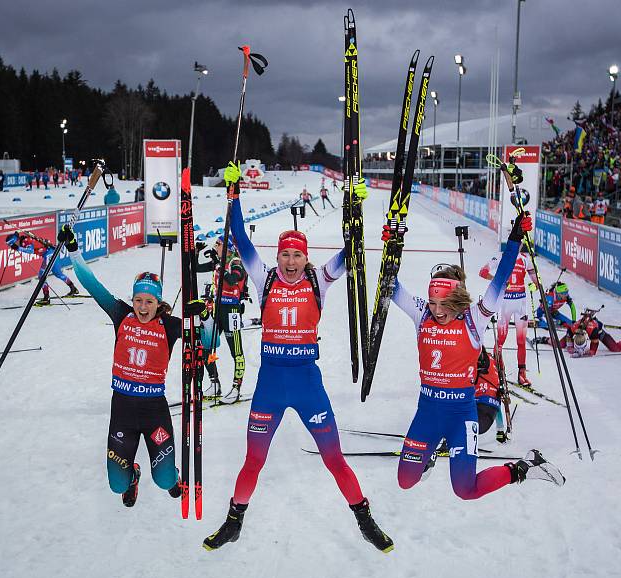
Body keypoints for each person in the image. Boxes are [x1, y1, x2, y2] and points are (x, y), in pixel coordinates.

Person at [203, 162, 393, 553]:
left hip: (307, 385)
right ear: (278, 256)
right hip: (271, 386)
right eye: (285, 254)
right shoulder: (265, 277)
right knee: (253, 460)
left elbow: (349, 253)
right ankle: (234, 521)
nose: (290, 262)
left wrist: (355, 213)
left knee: (334, 458)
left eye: (297, 256)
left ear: (306, 258)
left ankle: (365, 520)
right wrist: (233, 194)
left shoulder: (317, 279)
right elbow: (238, 236)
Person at [390, 217, 565, 502]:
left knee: (465, 489)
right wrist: (392, 244)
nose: (437, 310)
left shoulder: (475, 318)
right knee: (405, 481)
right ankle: (429, 453)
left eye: (444, 304)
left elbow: (500, 279)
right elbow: (392, 286)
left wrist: (515, 241)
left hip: (462, 414)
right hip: (427, 413)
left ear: (456, 300)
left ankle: (524, 467)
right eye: (433, 303)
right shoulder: (421, 313)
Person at [57, 225, 189, 506]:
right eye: (138, 300)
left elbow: (206, 338)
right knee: (117, 485)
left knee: (165, 480)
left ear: (158, 302)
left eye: (149, 301)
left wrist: (204, 315)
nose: (143, 307)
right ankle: (132, 476)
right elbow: (92, 285)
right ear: (132, 300)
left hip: (154, 410)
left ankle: (170, 475)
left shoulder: (171, 325)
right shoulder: (121, 315)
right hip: (123, 410)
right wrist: (73, 251)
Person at [479, 244, 539, 386]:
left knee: (521, 341)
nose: (518, 246)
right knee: (500, 340)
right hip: (505, 303)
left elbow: (537, 282)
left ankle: (522, 374)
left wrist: (534, 286)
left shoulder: (525, 259)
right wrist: (497, 280)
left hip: (521, 305)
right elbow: (482, 272)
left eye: (520, 244)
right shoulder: (500, 257)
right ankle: (498, 371)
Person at [197, 235, 248, 402]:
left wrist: (221, 268)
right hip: (218, 310)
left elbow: (234, 279)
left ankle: (236, 387)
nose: (215, 246)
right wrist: (196, 252)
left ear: (228, 247)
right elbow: (196, 268)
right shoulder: (218, 263)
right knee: (207, 346)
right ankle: (214, 383)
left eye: (218, 244)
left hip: (231, 310)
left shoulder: (235, 262)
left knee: (236, 352)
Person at [6, 230, 79, 304]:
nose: (12, 247)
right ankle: (73, 288)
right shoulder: (23, 241)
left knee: (41, 276)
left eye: (12, 245)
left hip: (49, 254)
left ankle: (46, 298)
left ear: (15, 241)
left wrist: (18, 248)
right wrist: (18, 247)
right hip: (52, 252)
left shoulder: (25, 241)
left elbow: (30, 250)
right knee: (58, 273)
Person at [535, 309, 621, 357]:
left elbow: (594, 343)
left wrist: (591, 351)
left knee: (615, 349)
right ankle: (544, 339)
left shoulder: (594, 332)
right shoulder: (573, 328)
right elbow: (568, 337)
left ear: (586, 337)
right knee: (559, 345)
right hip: (584, 328)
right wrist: (569, 347)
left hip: (598, 331)